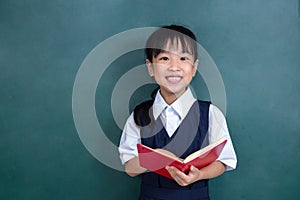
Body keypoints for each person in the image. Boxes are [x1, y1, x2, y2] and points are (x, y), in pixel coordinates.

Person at [119, 25, 237, 200]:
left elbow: (224, 161)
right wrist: (156, 158)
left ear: (194, 67)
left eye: (183, 58)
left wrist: (199, 175)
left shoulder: (211, 114)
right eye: (165, 58)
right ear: (150, 67)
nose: (174, 66)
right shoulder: (139, 116)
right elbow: (130, 168)